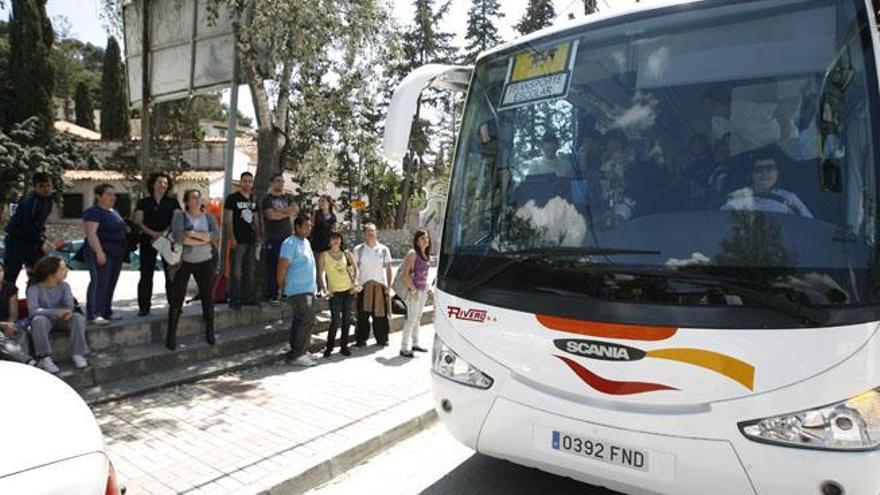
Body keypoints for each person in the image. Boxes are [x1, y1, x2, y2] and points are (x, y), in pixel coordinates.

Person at [166, 190, 219, 351]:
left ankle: (210, 330)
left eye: (198, 197)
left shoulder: (208, 217)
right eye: (193, 198)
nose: (197, 200)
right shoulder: (180, 216)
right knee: (177, 297)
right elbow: (180, 238)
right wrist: (204, 238)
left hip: (205, 261)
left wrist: (193, 235)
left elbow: (215, 235)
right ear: (187, 201)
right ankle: (171, 334)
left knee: (207, 296)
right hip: (184, 262)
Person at [26, 256, 89, 373]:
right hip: (45, 321)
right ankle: (45, 357)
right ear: (51, 273)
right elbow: (33, 311)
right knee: (37, 320)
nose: (66, 271)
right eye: (63, 269)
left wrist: (68, 312)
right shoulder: (34, 289)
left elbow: (69, 305)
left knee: (78, 318)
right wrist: (55, 312)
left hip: (63, 319)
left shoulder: (65, 286)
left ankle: (78, 354)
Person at [133, 171, 181, 317]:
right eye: (160, 182)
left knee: (171, 274)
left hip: (167, 240)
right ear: (153, 184)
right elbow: (137, 221)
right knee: (146, 274)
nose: (163, 185)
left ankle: (175, 305)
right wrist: (153, 234)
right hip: (148, 240)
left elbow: (177, 220)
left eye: (165, 183)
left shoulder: (172, 202)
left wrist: (164, 233)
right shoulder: (143, 202)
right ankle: (144, 307)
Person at [83, 184, 128, 325]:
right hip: (101, 251)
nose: (113, 197)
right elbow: (91, 234)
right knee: (99, 281)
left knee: (110, 282)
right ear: (99, 196)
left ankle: (106, 311)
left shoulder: (114, 211)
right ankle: (94, 313)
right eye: (108, 194)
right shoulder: (94, 212)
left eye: (114, 194)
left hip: (116, 252)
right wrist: (99, 252)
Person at [721, 149, 813, 218]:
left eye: (770, 168)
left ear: (778, 172)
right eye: (758, 170)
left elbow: (808, 226)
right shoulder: (737, 197)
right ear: (751, 174)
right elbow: (721, 224)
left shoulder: (790, 199)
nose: (764, 173)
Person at [277, 216, 317, 367]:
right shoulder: (289, 243)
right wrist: (281, 287)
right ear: (297, 227)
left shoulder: (305, 242)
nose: (309, 228)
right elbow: (282, 267)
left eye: (310, 225)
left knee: (300, 320)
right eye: (306, 226)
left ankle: (299, 350)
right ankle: (297, 355)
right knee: (307, 319)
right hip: (297, 290)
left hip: (308, 288)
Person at [3, 172, 55, 287]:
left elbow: (39, 224)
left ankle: (34, 302)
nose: (46, 189)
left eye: (48, 185)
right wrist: (41, 242)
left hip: (32, 243)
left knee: (38, 275)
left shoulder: (48, 201)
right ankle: (5, 303)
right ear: (35, 187)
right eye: (41, 186)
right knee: (10, 276)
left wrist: (44, 234)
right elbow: (28, 225)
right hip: (17, 242)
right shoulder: (30, 202)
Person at [317, 232, 359, 358]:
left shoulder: (347, 254)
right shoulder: (324, 255)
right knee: (335, 321)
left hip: (347, 291)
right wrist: (325, 288)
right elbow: (321, 274)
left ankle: (344, 346)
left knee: (346, 320)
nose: (335, 241)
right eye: (333, 238)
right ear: (329, 241)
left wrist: (355, 282)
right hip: (334, 292)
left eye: (337, 238)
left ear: (341, 240)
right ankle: (329, 347)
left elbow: (356, 269)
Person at [224, 171, 260, 309]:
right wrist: (231, 237)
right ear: (240, 182)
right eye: (245, 181)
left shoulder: (253, 199)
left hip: (251, 240)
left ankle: (247, 298)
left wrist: (258, 236)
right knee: (236, 271)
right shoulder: (233, 198)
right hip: (238, 240)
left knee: (249, 271)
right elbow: (228, 219)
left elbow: (256, 218)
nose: (247, 183)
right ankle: (234, 300)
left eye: (250, 181)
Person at [353, 223, 393, 347]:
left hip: (379, 286)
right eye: (368, 231)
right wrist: (355, 285)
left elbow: (389, 268)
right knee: (362, 315)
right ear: (364, 234)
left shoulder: (384, 249)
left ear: (376, 233)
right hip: (363, 286)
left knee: (380, 315)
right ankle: (361, 339)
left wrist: (388, 286)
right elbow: (355, 268)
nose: (370, 233)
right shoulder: (358, 249)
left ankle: (382, 339)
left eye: (373, 231)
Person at [261, 173, 298, 305]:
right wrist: (285, 212)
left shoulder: (288, 197)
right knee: (273, 267)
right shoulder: (267, 199)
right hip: (273, 238)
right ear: (272, 183)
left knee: (288, 266)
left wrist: (280, 211)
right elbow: (270, 216)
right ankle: (271, 294)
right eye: (278, 181)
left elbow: (295, 210)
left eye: (282, 182)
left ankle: (285, 292)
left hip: (288, 238)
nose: (281, 184)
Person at [399, 230, 432, 358]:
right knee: (411, 319)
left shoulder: (425, 254)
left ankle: (415, 343)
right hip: (413, 292)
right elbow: (405, 274)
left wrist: (427, 288)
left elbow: (423, 275)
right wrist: (413, 290)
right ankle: (404, 347)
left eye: (427, 238)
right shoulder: (413, 254)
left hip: (422, 291)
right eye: (423, 238)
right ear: (417, 241)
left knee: (417, 318)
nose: (426, 240)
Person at [0, 262, 31, 364]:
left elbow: (14, 313)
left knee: (20, 333)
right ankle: (27, 361)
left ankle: (23, 362)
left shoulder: (9, 288)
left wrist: (10, 324)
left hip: (7, 323)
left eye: (0, 271)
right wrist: (3, 325)